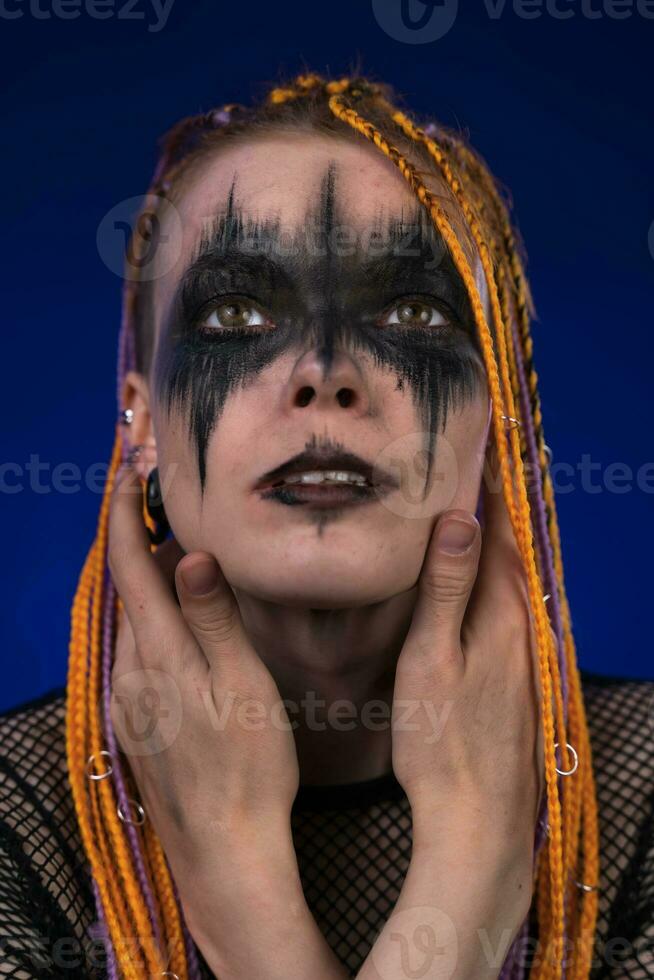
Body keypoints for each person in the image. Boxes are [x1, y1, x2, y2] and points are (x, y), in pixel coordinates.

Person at [0, 70, 652, 980]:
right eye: (236, 311)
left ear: (494, 414)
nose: (323, 369)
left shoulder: (643, 791)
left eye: (412, 311)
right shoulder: (15, 816)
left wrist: (475, 854)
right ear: (139, 423)